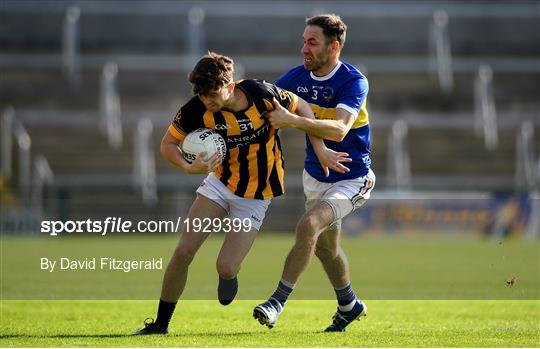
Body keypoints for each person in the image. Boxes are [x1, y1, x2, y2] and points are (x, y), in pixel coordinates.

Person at [134, 51, 344, 335]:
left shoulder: (262, 94)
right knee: (183, 251)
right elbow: (168, 144)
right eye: (201, 93)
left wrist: (318, 147)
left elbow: (303, 107)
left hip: (256, 196)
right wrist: (188, 167)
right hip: (219, 186)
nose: (206, 99)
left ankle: (228, 276)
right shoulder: (196, 109)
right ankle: (160, 325)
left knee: (226, 266)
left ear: (229, 86)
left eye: (212, 92)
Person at [253, 14, 375, 332]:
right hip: (315, 178)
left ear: (334, 47)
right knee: (326, 249)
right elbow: (261, 105)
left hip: (352, 178)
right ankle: (349, 305)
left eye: (312, 42)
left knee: (308, 225)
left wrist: (293, 121)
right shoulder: (295, 79)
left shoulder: (352, 80)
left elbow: (339, 128)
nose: (304, 48)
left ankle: (276, 302)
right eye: (303, 41)